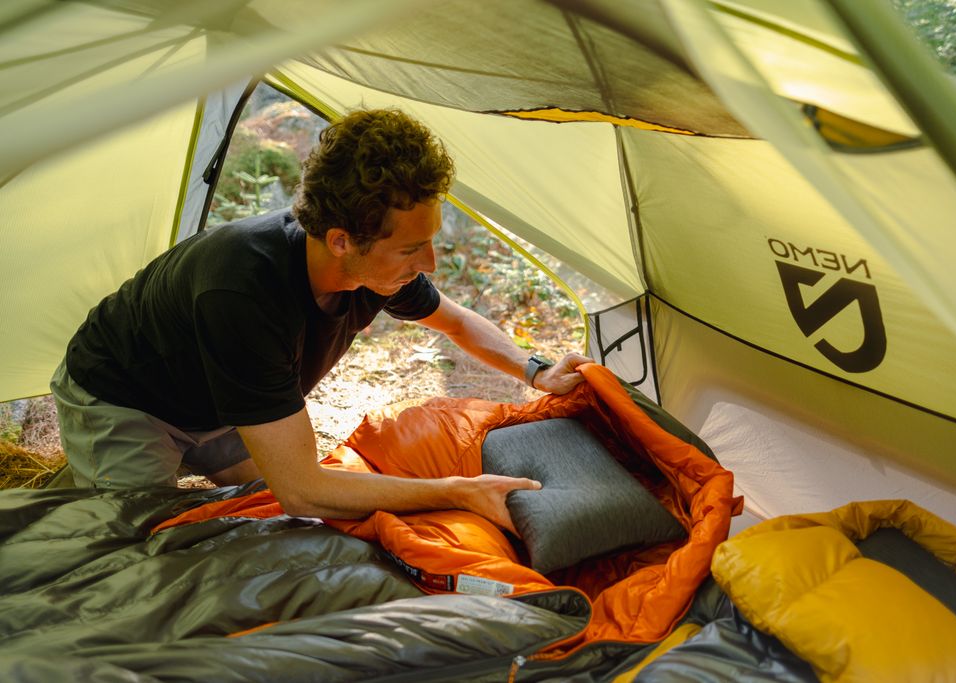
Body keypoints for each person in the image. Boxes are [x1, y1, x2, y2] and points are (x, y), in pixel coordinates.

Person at [50, 108, 591, 533]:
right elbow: (304, 489)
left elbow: (456, 323)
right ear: (341, 241)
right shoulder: (241, 289)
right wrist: (459, 491)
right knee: (133, 537)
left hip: (222, 406)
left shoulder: (374, 272)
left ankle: (131, 471)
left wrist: (536, 371)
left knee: (269, 510)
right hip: (126, 399)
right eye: (411, 249)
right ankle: (90, 472)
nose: (427, 265)